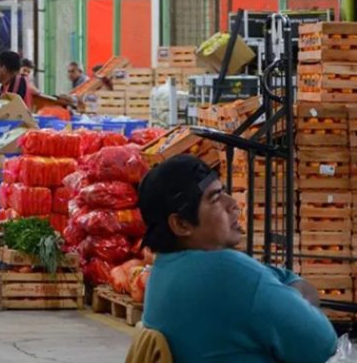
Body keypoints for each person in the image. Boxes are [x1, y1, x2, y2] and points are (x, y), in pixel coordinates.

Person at [138, 155, 337, 362]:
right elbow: (323, 343)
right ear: (181, 224)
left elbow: (279, 278)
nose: (233, 204)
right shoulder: (227, 272)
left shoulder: (162, 271)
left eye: (223, 192)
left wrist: (286, 296)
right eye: (215, 199)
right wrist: (294, 303)